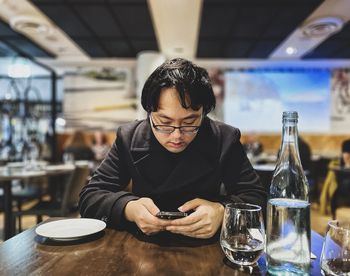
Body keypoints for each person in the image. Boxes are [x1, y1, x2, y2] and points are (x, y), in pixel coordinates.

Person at [79, 58, 267, 239]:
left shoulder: (225, 139)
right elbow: (91, 196)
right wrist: (129, 208)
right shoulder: (129, 138)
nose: (177, 135)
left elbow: (257, 197)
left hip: (206, 247)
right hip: (143, 245)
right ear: (149, 112)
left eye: (190, 122)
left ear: (204, 112)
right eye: (164, 122)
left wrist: (223, 211)